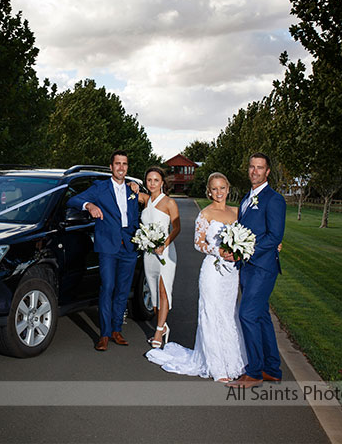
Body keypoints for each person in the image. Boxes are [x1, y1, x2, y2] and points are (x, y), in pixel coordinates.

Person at [146, 172, 247, 381]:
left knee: (228, 314)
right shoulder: (206, 214)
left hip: (231, 274)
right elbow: (198, 243)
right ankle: (216, 366)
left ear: (228, 189)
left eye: (222, 188)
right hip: (212, 271)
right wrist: (218, 251)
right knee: (211, 314)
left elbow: (246, 237)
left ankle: (232, 361)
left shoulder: (237, 213)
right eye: (214, 188)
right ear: (209, 192)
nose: (219, 192)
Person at [67, 150, 142, 351]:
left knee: (123, 290)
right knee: (107, 287)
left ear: (127, 167)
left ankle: (117, 330)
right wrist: (89, 205)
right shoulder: (100, 188)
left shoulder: (132, 190)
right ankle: (104, 334)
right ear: (111, 167)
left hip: (129, 246)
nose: (121, 167)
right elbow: (72, 200)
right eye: (117, 163)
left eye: (124, 164)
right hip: (108, 246)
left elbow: (135, 216)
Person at [224, 153, 285, 388]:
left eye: (260, 168)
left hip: (263, 267)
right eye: (252, 167)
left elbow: (274, 237)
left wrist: (244, 251)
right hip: (247, 268)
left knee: (247, 314)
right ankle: (272, 369)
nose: (255, 171)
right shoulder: (246, 199)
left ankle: (254, 372)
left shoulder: (274, 199)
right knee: (260, 317)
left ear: (267, 171)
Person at [134, 167, 180, 348]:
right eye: (149, 180)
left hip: (165, 252)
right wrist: (132, 185)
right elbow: (123, 191)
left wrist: (164, 244)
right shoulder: (145, 200)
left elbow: (177, 228)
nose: (152, 183)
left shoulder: (169, 202)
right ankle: (162, 326)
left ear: (162, 182)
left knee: (163, 290)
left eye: (156, 180)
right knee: (153, 292)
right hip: (148, 253)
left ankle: (159, 331)